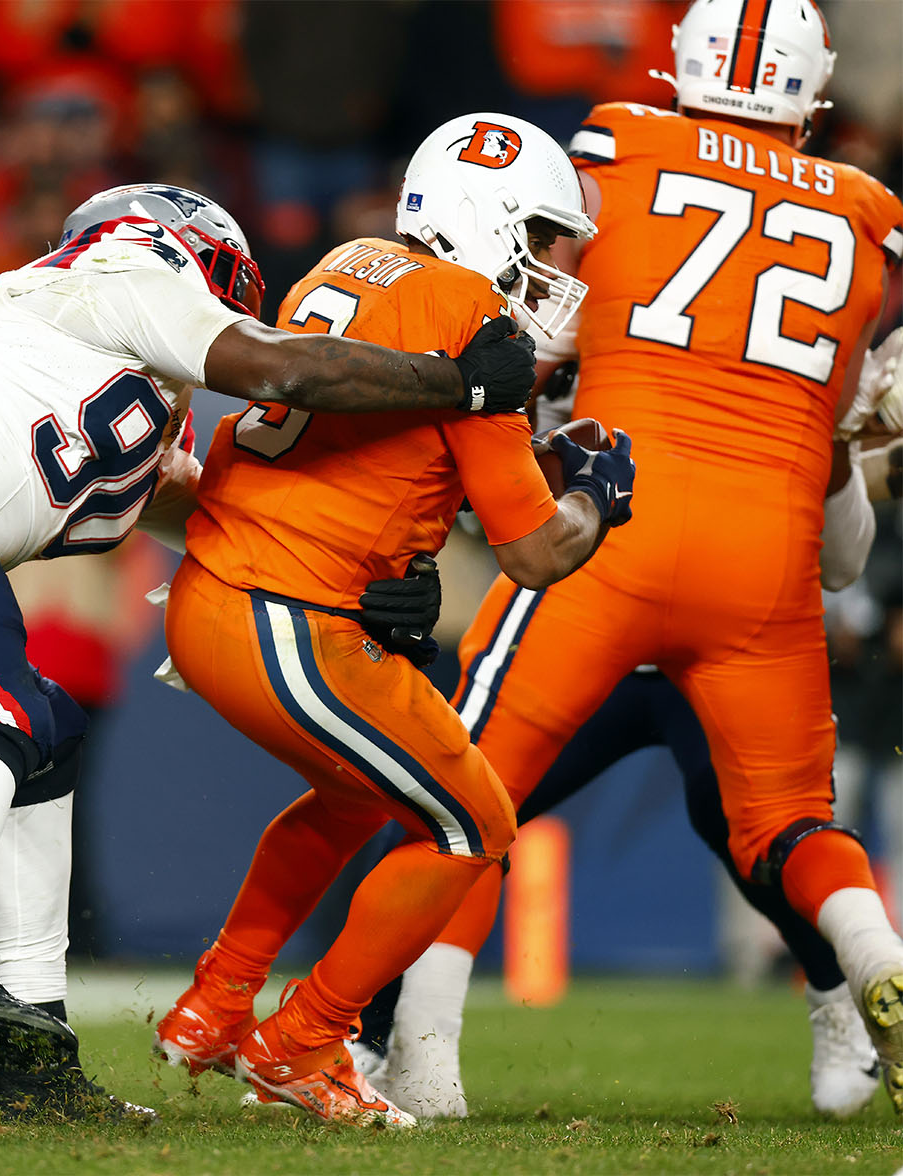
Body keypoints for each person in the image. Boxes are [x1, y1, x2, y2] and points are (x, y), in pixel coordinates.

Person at [0, 182, 542, 1121]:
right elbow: (282, 370)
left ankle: (35, 1066)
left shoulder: (95, 370)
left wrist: (373, 578)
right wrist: (459, 382)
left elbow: (224, 518)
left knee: (46, 738)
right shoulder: (128, 271)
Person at [347, 0, 903, 1122]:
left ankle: (421, 1062)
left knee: (464, 793)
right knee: (790, 822)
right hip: (758, 565)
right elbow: (840, 554)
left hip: (613, 535)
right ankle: (874, 953)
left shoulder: (615, 143)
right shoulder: (864, 213)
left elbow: (544, 324)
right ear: (812, 91)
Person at [150, 114, 634, 1125]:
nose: (552, 261)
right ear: (489, 218)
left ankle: (215, 1002)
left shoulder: (350, 260)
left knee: (355, 799)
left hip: (224, 594)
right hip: (284, 614)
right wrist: (592, 494)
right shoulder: (470, 316)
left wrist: (405, 548)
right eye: (543, 235)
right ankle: (304, 1039)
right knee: (473, 828)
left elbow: (381, 456)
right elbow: (535, 552)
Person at [353, 342, 903, 1122]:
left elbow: (820, 528)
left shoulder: (740, 361)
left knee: (756, 837)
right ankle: (378, 1034)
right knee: (462, 804)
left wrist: (853, 454)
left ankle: (834, 996)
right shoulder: (588, 323)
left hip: (691, 649)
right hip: (585, 618)